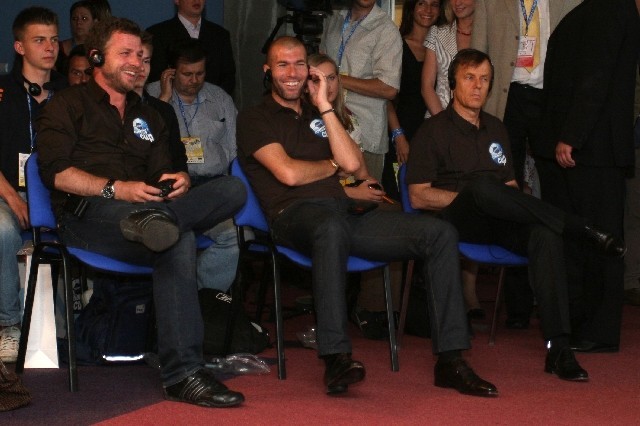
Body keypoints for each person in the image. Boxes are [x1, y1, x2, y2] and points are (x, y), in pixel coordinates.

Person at [237, 36, 497, 397]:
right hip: (292, 216)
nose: (292, 73)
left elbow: (356, 166)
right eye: (283, 65)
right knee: (330, 228)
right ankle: (336, 357)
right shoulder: (254, 117)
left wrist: (325, 106)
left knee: (439, 233)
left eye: (299, 64)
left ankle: (451, 360)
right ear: (268, 71)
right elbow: (290, 174)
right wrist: (332, 165)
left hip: (342, 213)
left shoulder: (319, 113)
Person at [36, 17, 246, 408]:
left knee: (231, 190)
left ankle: (159, 223)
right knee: (175, 237)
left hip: (148, 213)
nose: (137, 63)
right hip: (88, 217)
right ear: (97, 57)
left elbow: (160, 173)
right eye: (126, 54)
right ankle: (184, 374)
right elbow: (57, 174)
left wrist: (178, 181)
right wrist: (117, 189)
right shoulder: (66, 105)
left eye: (141, 56)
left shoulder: (149, 115)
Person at [407, 48, 626, 382]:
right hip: (454, 219)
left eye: (484, 80)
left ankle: (559, 348)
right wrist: (476, 197)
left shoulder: (496, 128)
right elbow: (418, 195)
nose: (477, 86)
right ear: (452, 84)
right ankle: (579, 227)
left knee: (544, 235)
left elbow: (509, 188)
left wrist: (503, 201)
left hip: (496, 219)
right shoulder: (433, 130)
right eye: (469, 78)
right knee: (482, 187)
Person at [534, 0, 640, 352]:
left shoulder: (611, 9)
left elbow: (596, 78)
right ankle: (579, 325)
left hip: (592, 150)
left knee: (600, 242)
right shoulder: (600, 9)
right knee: (579, 241)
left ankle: (596, 331)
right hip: (584, 149)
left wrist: (572, 136)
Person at [0, 7, 67, 363]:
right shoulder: (3, 92)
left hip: (60, 193)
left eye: (54, 39)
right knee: (1, 231)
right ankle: (9, 325)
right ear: (19, 46)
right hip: (9, 191)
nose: (50, 47)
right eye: (39, 40)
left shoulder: (71, 93)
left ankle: (87, 323)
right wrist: (14, 198)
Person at [146, 39, 240, 292]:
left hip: (213, 186)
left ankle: (202, 296)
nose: (195, 80)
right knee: (176, 239)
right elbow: (145, 147)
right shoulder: (150, 95)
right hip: (172, 191)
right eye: (187, 74)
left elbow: (234, 150)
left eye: (200, 73)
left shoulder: (219, 98)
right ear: (171, 71)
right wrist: (164, 101)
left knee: (235, 236)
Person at [320, 0, 402, 181]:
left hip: (365, 135)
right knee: (329, 193)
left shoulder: (386, 29)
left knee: (364, 194)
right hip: (328, 127)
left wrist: (337, 79)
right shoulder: (334, 17)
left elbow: (389, 88)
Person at [383, 0, 444, 200]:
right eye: (421, 3)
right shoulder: (397, 45)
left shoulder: (443, 46)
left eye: (434, 5)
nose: (428, 10)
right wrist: (398, 135)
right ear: (412, 7)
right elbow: (386, 96)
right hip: (402, 130)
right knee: (399, 196)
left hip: (434, 130)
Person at [147, 0, 236, 95]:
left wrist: (215, 100)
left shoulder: (220, 35)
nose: (196, 0)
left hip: (214, 101)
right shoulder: (158, 34)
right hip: (171, 101)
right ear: (177, 1)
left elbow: (228, 77)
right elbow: (156, 78)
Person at [421, 0, 475, 118]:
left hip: (477, 121)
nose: (457, 3)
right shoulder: (437, 33)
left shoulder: (491, 37)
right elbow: (427, 86)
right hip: (439, 117)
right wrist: (445, 122)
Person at [56, 1, 99, 73]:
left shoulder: (102, 49)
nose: (78, 22)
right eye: (74, 18)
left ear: (95, 22)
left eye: (84, 18)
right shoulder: (58, 49)